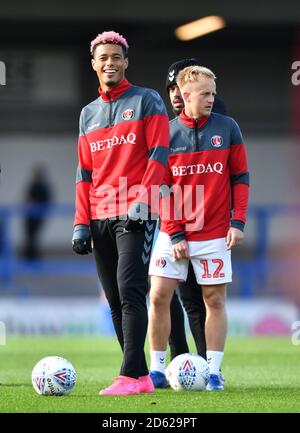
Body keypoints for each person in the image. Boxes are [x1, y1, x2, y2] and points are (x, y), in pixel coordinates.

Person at [72, 31, 170, 396]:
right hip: (99, 215)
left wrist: (143, 203)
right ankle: (141, 376)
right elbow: (83, 174)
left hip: (136, 212)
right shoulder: (88, 114)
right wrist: (81, 223)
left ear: (125, 62)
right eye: (103, 57)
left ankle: (128, 376)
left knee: (132, 289)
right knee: (114, 298)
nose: (110, 62)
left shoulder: (147, 100)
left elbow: (160, 153)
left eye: (116, 56)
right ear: (94, 64)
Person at [148, 65, 249, 391]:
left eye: (213, 93)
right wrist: (175, 232)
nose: (211, 99)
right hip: (172, 231)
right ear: (186, 95)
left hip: (215, 233)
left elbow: (240, 178)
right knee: (159, 296)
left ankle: (215, 373)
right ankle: (157, 370)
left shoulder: (228, 128)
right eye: (205, 93)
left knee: (214, 300)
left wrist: (238, 221)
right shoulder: (165, 132)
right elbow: (161, 188)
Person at [22, 164, 53, 259]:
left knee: (33, 236)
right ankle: (29, 256)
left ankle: (33, 256)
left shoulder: (44, 187)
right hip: (30, 215)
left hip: (38, 215)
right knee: (29, 235)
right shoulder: (32, 185)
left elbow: (47, 200)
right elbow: (26, 199)